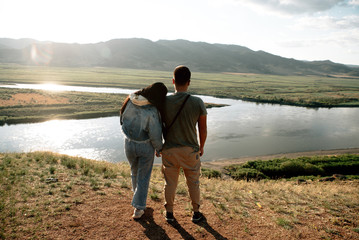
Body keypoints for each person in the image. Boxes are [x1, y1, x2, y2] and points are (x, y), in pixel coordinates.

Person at [161, 65, 207, 223]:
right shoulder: (197, 102)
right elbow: (203, 129)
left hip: (169, 151)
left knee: (170, 183)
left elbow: (157, 125)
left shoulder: (164, 101)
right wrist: (201, 147)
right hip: (190, 151)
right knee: (193, 183)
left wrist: (157, 145)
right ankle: (195, 213)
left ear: (173, 81)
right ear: (189, 82)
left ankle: (169, 214)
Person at [120, 82, 168, 219]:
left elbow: (122, 120)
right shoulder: (151, 110)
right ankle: (139, 208)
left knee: (134, 172)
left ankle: (137, 201)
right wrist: (159, 149)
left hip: (128, 143)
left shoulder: (130, 100)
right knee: (144, 176)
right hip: (145, 146)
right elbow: (155, 134)